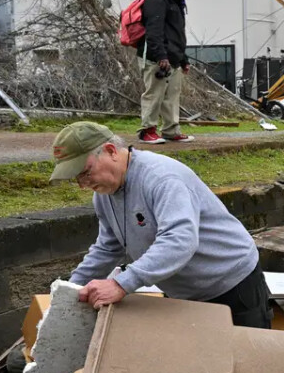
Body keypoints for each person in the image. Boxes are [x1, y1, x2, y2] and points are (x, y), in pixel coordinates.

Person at [49, 121, 272, 328]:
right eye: (77, 178)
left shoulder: (162, 179)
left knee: (245, 363)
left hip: (231, 283)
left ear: (110, 151)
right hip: (183, 291)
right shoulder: (105, 193)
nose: (83, 185)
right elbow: (108, 247)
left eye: (86, 173)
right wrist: (71, 290)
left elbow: (180, 241)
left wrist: (121, 284)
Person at [136, 0, 196, 145]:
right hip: (156, 57)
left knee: (172, 95)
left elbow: (177, 34)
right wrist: (161, 56)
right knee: (154, 93)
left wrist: (183, 60)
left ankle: (171, 130)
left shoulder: (176, 1)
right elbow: (154, 32)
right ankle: (147, 131)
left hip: (174, 57)